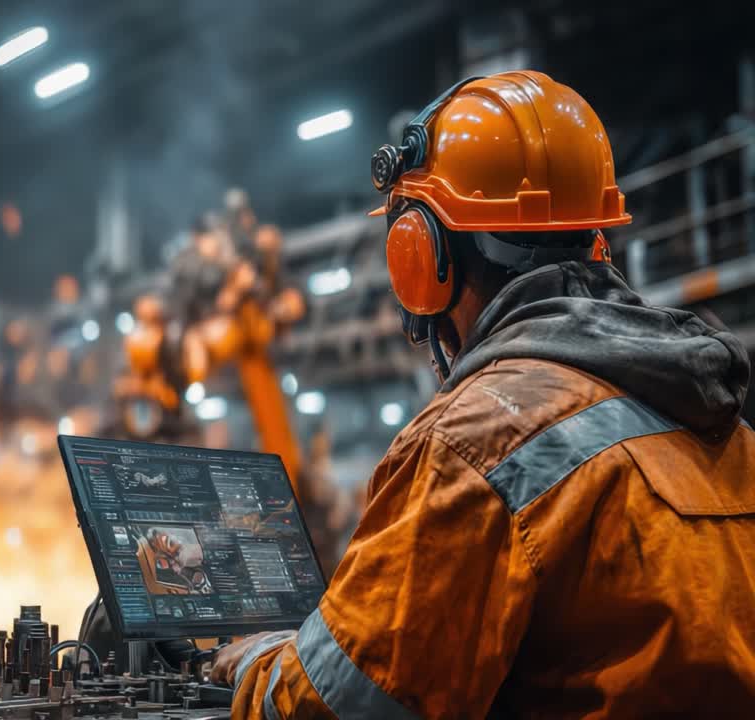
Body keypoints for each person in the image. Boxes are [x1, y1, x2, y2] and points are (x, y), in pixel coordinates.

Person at [212, 71, 755, 718]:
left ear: (421, 256)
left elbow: (328, 707)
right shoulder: (719, 423)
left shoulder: (473, 444)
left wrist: (256, 661)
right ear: (597, 237)